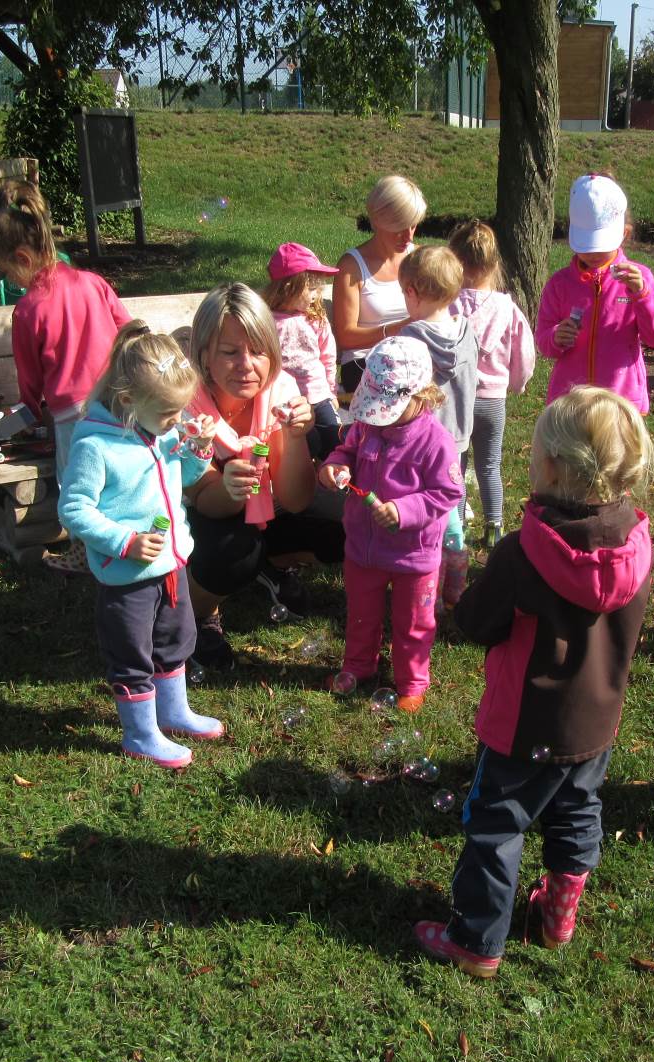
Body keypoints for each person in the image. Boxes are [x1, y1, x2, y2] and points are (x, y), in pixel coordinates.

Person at [414, 387, 654, 977]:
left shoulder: (524, 552)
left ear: (549, 465)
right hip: (595, 721)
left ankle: (476, 940)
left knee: (496, 824)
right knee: (577, 807)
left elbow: (477, 623)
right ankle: (558, 914)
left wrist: (464, 600)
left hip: (522, 725)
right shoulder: (637, 540)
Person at [57, 323, 222, 769]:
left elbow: (182, 480)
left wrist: (199, 449)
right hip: (127, 575)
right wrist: (124, 542)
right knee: (132, 652)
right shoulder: (96, 446)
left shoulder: (156, 430)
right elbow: (73, 509)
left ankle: (173, 711)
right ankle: (140, 734)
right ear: (129, 401)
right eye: (169, 413)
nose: (176, 420)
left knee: (174, 639)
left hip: (170, 563)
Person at [182, 284, 342, 671]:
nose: (246, 364)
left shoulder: (281, 390)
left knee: (344, 521)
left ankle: (270, 564)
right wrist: (229, 489)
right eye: (229, 352)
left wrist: (296, 436)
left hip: (267, 507)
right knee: (233, 553)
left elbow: (296, 498)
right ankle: (199, 614)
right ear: (204, 355)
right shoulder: (186, 404)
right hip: (197, 515)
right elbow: (203, 498)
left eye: (257, 351)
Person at [0, 181, 131, 573]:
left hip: (72, 415)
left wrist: (27, 414)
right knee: (116, 473)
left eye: (5, 270)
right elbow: (127, 329)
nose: (6, 278)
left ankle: (84, 552)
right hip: (117, 400)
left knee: (76, 484)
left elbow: (29, 378)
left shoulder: (28, 309)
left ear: (22, 258)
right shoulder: (92, 283)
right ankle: (121, 541)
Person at [320, 338, 462, 713]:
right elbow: (347, 450)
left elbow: (448, 492)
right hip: (363, 549)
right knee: (361, 613)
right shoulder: (367, 426)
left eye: (388, 409)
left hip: (413, 555)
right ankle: (358, 665)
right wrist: (335, 466)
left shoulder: (436, 442)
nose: (379, 416)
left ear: (422, 396)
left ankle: (411, 680)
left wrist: (403, 510)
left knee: (413, 621)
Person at [534, 174, 654, 415]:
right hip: (571, 404)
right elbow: (544, 341)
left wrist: (642, 296)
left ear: (624, 234)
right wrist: (556, 337)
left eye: (601, 245)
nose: (594, 254)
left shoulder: (639, 278)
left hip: (620, 403)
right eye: (586, 246)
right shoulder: (560, 284)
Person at [396, 246, 479, 610]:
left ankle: (430, 594)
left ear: (412, 291)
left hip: (423, 442)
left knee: (429, 514)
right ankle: (456, 586)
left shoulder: (411, 337)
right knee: (452, 505)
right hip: (458, 437)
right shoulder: (467, 330)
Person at [448, 220, 535, 550]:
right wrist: (517, 383)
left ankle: (456, 530)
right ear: (495, 264)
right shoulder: (507, 309)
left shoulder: (448, 305)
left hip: (456, 400)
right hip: (493, 401)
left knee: (456, 465)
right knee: (489, 466)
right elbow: (524, 353)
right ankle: (494, 527)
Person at [332, 175, 425, 395]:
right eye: (399, 227)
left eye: (413, 226)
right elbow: (345, 337)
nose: (408, 236)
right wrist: (399, 328)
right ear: (378, 221)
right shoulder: (352, 266)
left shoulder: (419, 258)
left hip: (412, 358)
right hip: (365, 361)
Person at [265, 242, 342, 459]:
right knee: (306, 447)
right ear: (290, 287)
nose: (316, 295)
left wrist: (331, 391)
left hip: (319, 395)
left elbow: (328, 356)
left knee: (336, 443)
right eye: (311, 289)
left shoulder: (315, 318)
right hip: (288, 402)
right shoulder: (267, 321)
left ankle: (334, 475)